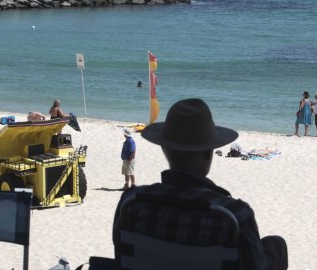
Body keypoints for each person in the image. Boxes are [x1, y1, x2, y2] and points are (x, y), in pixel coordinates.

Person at [120, 98, 288, 269]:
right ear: (209, 154)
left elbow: (120, 255)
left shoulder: (131, 202)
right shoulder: (233, 216)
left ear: (164, 149)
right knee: (276, 245)